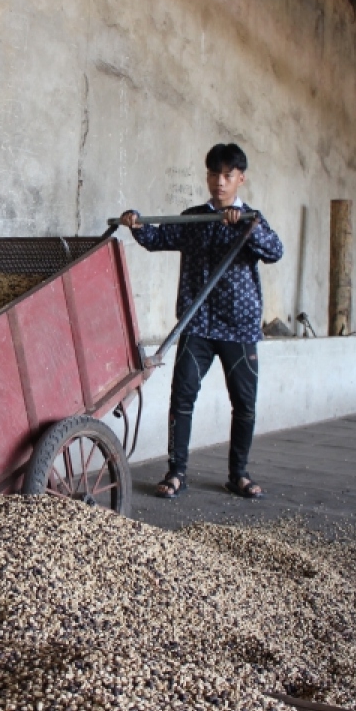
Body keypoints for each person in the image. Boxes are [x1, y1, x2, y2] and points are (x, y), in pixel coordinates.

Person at [119, 143, 283, 499]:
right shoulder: (195, 218)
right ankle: (176, 472)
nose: (219, 182)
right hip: (197, 325)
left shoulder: (252, 219)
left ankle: (238, 474)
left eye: (227, 175)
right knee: (182, 397)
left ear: (241, 178)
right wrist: (136, 221)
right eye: (213, 174)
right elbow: (157, 237)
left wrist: (247, 229)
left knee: (244, 403)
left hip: (239, 329)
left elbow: (275, 251)